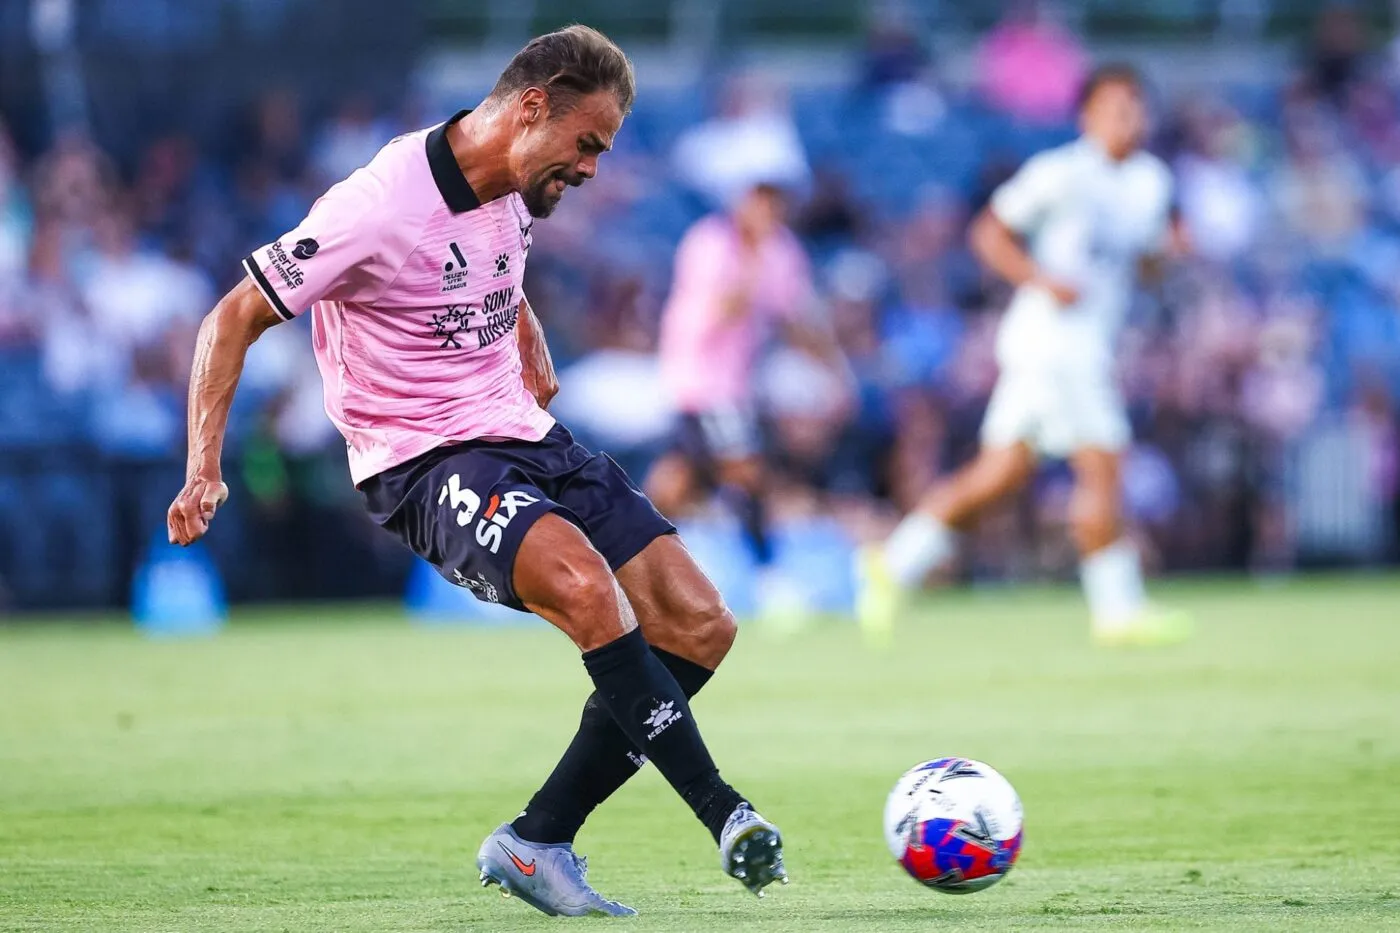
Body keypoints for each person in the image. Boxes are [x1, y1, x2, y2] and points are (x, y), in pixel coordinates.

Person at [166, 26, 786, 918]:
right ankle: (726, 814)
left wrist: (524, 325)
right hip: (421, 458)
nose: (594, 167)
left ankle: (537, 841)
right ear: (533, 107)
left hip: (524, 431)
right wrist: (203, 469)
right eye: (589, 144)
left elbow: (484, 261)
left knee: (699, 624)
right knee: (585, 585)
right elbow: (230, 319)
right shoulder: (378, 204)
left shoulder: (516, 179)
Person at [858, 64, 1191, 647]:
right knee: (1102, 461)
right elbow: (990, 232)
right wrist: (1040, 278)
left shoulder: (1150, 182)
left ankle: (895, 563)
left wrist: (1167, 257)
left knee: (1000, 474)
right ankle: (1118, 611)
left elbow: (1140, 264)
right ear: (1087, 115)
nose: (1128, 120)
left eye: (1136, 108)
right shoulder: (1061, 173)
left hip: (1086, 342)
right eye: (1116, 108)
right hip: (1055, 343)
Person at [646, 181, 847, 606]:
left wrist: (834, 371)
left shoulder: (780, 247)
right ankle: (767, 575)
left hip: (732, 383)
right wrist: (753, 263)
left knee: (679, 481)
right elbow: (724, 308)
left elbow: (793, 315)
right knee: (746, 473)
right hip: (700, 379)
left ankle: (636, 568)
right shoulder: (710, 242)